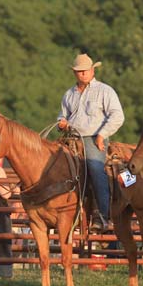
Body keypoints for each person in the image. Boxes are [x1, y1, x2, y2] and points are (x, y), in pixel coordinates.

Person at [57, 53, 125, 233]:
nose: (82, 74)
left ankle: (102, 216)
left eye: (85, 70)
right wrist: (61, 122)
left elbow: (118, 116)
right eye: (79, 71)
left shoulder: (105, 91)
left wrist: (102, 135)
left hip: (93, 138)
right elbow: (62, 115)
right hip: (70, 138)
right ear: (74, 73)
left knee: (95, 168)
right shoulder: (69, 94)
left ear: (92, 70)